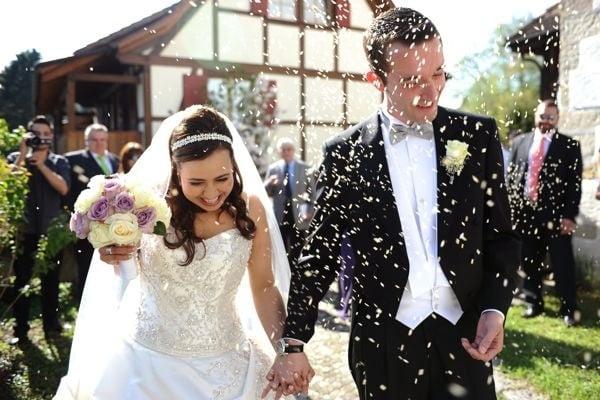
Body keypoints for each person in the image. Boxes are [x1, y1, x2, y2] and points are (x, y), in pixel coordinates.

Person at [264, 8, 521, 400]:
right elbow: (319, 253)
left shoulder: (476, 136)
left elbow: (501, 236)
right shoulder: (345, 154)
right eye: (413, 80)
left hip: (465, 336)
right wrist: (294, 342)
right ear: (376, 80)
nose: (431, 91)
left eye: (439, 73)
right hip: (383, 343)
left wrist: (494, 310)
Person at [54, 106, 294, 399]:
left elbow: (265, 287)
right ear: (175, 169)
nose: (211, 193)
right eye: (196, 182)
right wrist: (113, 251)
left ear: (234, 166)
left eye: (222, 178)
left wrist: (284, 350)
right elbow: (122, 263)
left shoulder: (250, 207)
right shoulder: (142, 205)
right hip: (145, 365)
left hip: (231, 363)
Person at [507, 100, 582, 327]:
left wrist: (569, 216)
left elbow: (574, 185)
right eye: (542, 116)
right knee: (529, 261)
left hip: (557, 216)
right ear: (535, 116)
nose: (546, 121)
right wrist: (511, 209)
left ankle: (569, 309)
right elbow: (512, 177)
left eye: (550, 117)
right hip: (525, 214)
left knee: (562, 263)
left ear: (557, 119)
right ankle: (533, 302)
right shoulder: (520, 142)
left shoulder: (569, 146)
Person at [7, 115, 71, 343]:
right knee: (21, 281)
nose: (42, 139)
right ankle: (20, 330)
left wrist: (42, 165)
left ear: (51, 135)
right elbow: (9, 186)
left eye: (46, 134)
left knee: (51, 281)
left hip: (51, 234)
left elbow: (63, 188)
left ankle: (51, 326)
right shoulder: (16, 158)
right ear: (29, 135)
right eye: (37, 134)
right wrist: (24, 156)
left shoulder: (59, 161)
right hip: (24, 231)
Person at [65, 124, 119, 300]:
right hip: (89, 225)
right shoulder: (73, 160)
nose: (99, 143)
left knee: (112, 268)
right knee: (86, 267)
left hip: (115, 225)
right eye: (94, 140)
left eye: (102, 139)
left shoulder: (115, 160)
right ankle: (84, 303)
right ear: (87, 141)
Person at [264, 138, 313, 267]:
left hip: (299, 212)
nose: (286, 152)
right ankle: (284, 273)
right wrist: (270, 183)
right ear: (279, 151)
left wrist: (309, 211)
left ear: (293, 151)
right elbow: (265, 192)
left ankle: (297, 272)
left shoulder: (304, 167)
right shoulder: (273, 168)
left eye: (289, 149)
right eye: (283, 149)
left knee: (298, 245)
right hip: (280, 213)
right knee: (281, 246)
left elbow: (312, 192)